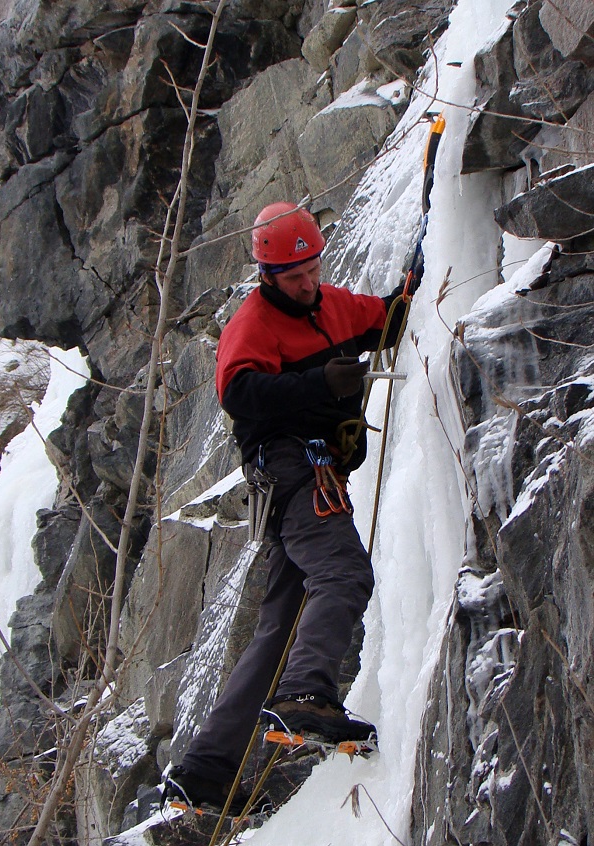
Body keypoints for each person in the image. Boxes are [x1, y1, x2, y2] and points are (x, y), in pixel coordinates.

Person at [165, 202, 411, 813]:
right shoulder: (253, 323)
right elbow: (240, 394)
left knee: (275, 628)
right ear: (269, 277)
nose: (308, 283)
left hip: (300, 481)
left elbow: (386, 318)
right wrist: (319, 386)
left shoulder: (331, 304)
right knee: (345, 574)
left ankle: (205, 770)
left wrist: (417, 272)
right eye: (295, 277)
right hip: (294, 471)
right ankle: (308, 694)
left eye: (312, 270)